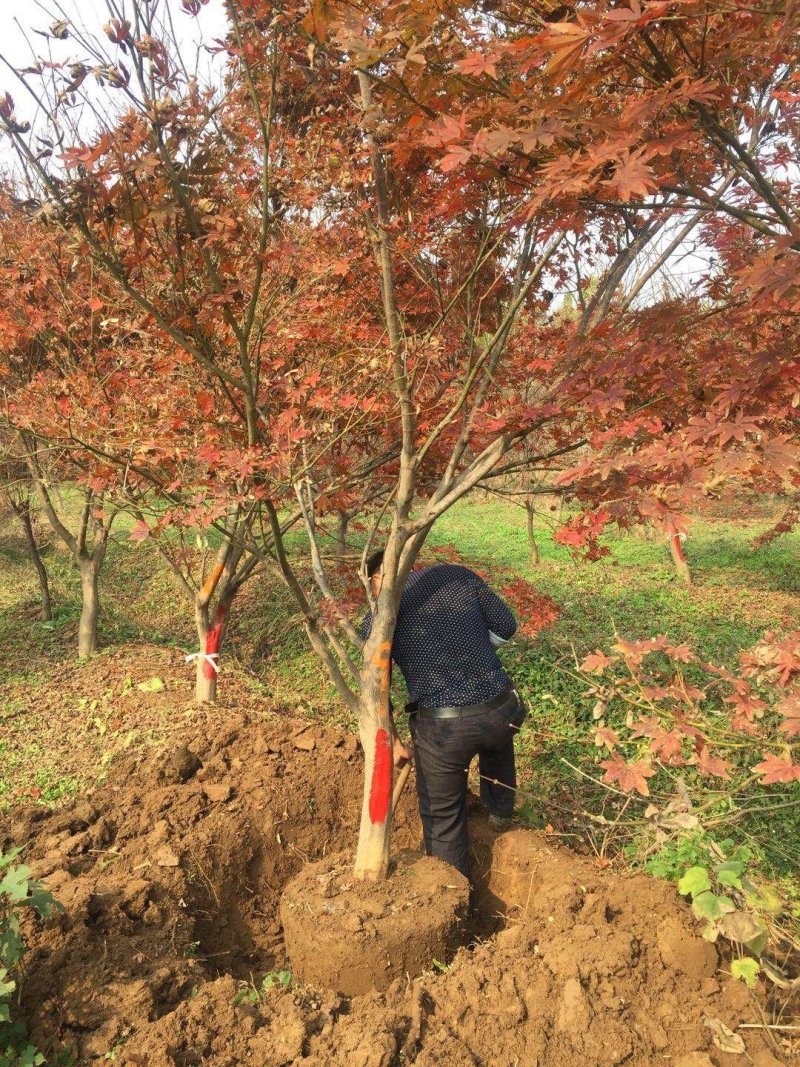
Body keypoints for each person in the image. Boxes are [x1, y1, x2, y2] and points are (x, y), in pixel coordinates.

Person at [360, 550, 526, 880]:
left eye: (369, 585)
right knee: (496, 739)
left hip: (444, 729)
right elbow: (506, 625)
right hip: (502, 707)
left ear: (375, 578)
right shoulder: (454, 575)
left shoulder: (378, 620)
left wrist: (392, 738)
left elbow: (377, 688)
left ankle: (453, 891)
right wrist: (471, 653)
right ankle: (501, 812)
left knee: (442, 812)